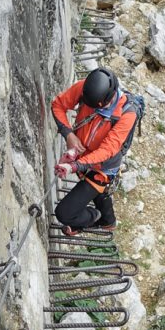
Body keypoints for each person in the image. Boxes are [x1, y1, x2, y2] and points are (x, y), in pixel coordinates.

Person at [51, 67, 140, 231]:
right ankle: (108, 221)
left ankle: (94, 218)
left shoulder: (127, 114)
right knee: (97, 191)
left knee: (64, 213)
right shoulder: (87, 89)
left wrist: (75, 165)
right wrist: (69, 135)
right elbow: (58, 105)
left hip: (102, 168)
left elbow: (107, 150)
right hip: (82, 156)